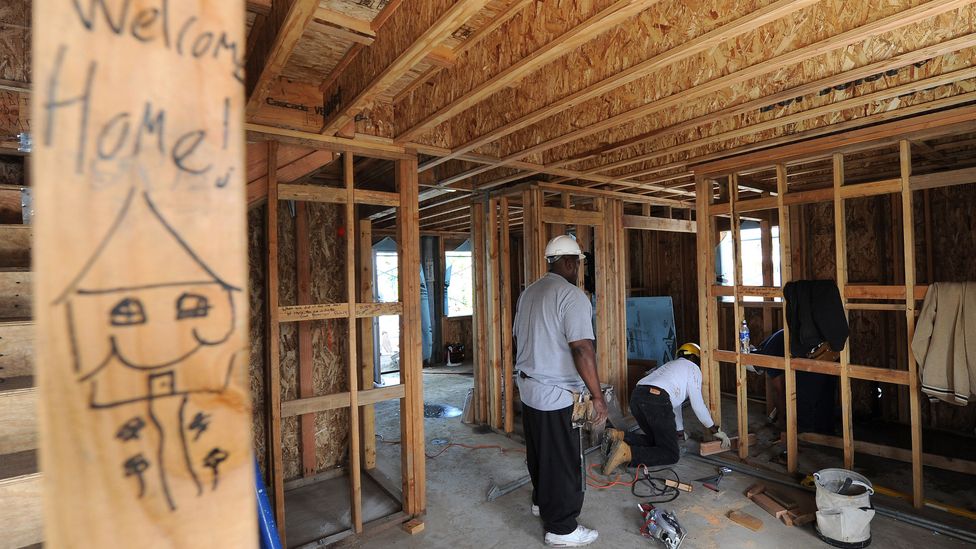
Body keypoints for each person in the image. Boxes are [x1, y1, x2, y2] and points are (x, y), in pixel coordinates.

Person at [514, 234, 608, 547]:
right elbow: (582, 348)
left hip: (529, 389)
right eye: (578, 262)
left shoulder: (529, 293)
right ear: (569, 262)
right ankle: (562, 527)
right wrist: (597, 397)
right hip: (555, 394)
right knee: (564, 460)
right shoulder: (572, 296)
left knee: (540, 453)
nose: (579, 268)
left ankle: (542, 501)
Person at [603, 343, 730, 474]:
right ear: (695, 358)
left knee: (658, 441)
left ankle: (619, 436)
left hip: (637, 396)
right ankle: (627, 453)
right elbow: (698, 405)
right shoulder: (693, 368)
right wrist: (714, 429)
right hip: (656, 400)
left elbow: (674, 405)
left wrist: (679, 433)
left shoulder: (671, 366)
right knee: (671, 454)